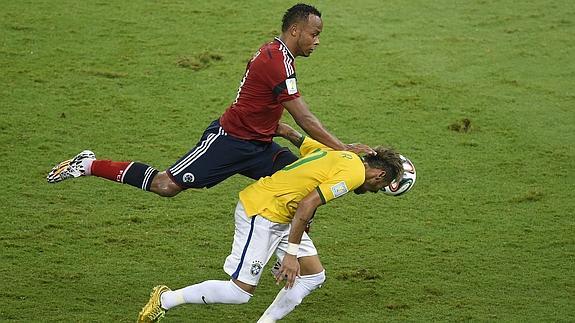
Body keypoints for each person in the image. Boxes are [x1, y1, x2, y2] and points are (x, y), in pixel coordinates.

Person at [46, 3, 374, 196]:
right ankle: (87, 164)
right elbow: (306, 119)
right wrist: (344, 149)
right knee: (165, 185)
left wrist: (279, 129)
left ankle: (288, 256)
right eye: (314, 34)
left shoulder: (279, 56)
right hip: (229, 141)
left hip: (259, 145)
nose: (317, 42)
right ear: (294, 32)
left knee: (300, 182)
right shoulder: (276, 61)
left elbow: (259, 101)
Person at [137, 123, 405, 323]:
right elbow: (307, 205)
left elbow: (292, 135)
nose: (372, 191)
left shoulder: (343, 154)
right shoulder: (354, 175)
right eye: (377, 187)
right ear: (379, 174)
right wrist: (290, 255)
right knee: (239, 292)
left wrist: (269, 123)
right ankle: (165, 299)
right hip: (263, 212)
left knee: (313, 276)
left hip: (282, 214)